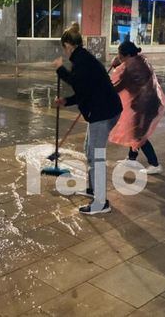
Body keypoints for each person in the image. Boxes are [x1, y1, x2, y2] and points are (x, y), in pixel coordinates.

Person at [52, 23, 123, 215]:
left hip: (103, 113)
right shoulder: (82, 59)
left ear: (68, 45)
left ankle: (101, 203)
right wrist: (66, 101)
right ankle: (93, 190)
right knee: (89, 151)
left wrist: (60, 69)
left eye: (63, 48)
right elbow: (84, 91)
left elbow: (75, 82)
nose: (64, 53)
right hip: (102, 110)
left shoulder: (82, 61)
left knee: (96, 157)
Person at [109, 40, 165, 174]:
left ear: (128, 55)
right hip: (145, 103)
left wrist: (104, 89)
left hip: (146, 105)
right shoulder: (138, 60)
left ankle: (155, 164)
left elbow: (118, 86)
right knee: (136, 131)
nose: (119, 57)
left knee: (140, 135)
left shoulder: (132, 67)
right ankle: (132, 158)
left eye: (120, 55)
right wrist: (119, 63)